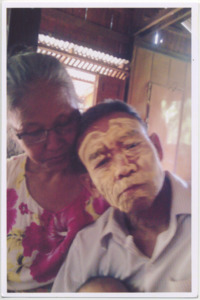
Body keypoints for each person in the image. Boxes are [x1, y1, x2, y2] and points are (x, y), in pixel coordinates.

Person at [52, 100, 191, 293]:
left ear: (157, 148)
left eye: (132, 145)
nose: (123, 168)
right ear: (92, 185)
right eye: (101, 162)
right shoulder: (87, 248)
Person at [7, 51, 109, 292]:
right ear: (14, 134)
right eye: (33, 132)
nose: (53, 144)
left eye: (64, 122)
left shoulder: (105, 179)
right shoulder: (7, 180)